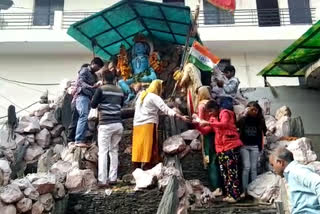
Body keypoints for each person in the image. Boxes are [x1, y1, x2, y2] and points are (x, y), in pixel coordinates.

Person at [132, 79, 189, 169]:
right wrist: (181, 117)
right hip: (148, 124)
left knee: (138, 146)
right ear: (157, 87)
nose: (162, 91)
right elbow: (166, 109)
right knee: (150, 146)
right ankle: (148, 166)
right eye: (161, 88)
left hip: (137, 125)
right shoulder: (154, 97)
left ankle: (137, 166)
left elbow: (147, 110)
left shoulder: (141, 96)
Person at [201, 101, 243, 203]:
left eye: (211, 111)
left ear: (216, 108)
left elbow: (223, 124)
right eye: (208, 112)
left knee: (232, 172)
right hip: (221, 148)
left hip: (231, 146)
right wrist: (197, 124)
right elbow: (206, 130)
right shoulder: (213, 118)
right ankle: (229, 194)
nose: (210, 114)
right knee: (225, 173)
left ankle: (235, 195)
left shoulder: (225, 113)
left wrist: (208, 122)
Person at [91, 70, 124, 187]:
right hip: (118, 124)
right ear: (114, 79)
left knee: (103, 152)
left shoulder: (101, 89)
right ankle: (113, 178)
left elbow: (93, 104)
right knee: (114, 151)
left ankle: (103, 180)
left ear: (103, 79)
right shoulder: (120, 91)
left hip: (105, 124)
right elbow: (121, 105)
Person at [269, 147, 320, 214]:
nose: (273, 169)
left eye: (273, 165)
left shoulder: (296, 171)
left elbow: (318, 183)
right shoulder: (291, 173)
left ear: (280, 162)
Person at [193, 87, 222, 196]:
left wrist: (195, 119)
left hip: (208, 134)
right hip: (216, 132)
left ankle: (215, 187)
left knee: (210, 160)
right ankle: (220, 185)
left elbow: (200, 122)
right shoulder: (213, 103)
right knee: (217, 159)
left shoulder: (201, 105)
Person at [72, 57, 104, 147]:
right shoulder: (84, 70)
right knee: (83, 116)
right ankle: (78, 140)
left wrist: (97, 88)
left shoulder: (94, 75)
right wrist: (91, 87)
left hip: (88, 97)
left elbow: (94, 88)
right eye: (98, 67)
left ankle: (82, 139)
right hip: (82, 96)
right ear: (93, 64)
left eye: (100, 68)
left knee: (84, 117)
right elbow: (80, 82)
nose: (98, 69)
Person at [237, 101, 267, 197]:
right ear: (248, 109)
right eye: (252, 109)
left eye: (256, 110)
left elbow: (264, 132)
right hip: (244, 146)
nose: (254, 112)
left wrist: (261, 146)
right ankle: (245, 190)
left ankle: (254, 190)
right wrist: (244, 114)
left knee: (254, 168)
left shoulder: (260, 121)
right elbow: (236, 125)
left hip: (255, 146)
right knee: (246, 167)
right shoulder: (243, 119)